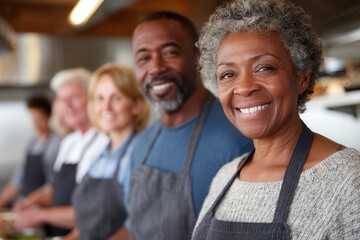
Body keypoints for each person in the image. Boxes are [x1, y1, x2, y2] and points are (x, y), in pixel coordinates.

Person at [193, 0, 360, 239]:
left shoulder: (348, 179)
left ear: (302, 76)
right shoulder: (225, 176)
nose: (244, 87)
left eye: (264, 68)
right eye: (228, 74)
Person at [127, 11, 253, 240]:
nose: (156, 68)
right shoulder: (141, 145)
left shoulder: (237, 137)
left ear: (198, 56)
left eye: (170, 52)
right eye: (144, 58)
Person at [13, 68, 109, 237]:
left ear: (92, 97)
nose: (68, 106)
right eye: (63, 100)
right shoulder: (69, 142)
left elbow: (94, 211)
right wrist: (30, 202)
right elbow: (55, 189)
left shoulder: (104, 143)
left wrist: (40, 215)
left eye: (74, 97)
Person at [67, 63, 149, 240]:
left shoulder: (139, 154)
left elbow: (136, 226)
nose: (106, 107)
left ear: (137, 105)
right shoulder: (99, 156)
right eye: (100, 98)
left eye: (117, 98)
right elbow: (86, 224)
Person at [0, 94, 61, 209]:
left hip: (46, 208)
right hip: (28, 206)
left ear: (49, 117)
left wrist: (29, 202)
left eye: (39, 118)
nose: (35, 123)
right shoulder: (32, 144)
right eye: (32, 118)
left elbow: (54, 185)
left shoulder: (56, 144)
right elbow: (18, 178)